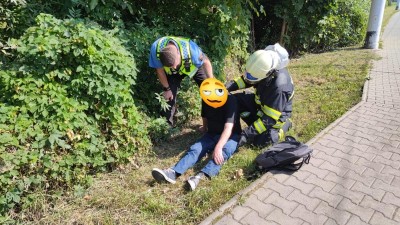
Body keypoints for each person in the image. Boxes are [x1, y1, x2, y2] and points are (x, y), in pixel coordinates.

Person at [151, 78, 241, 191]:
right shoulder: (206, 97)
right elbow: (204, 114)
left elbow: (228, 128)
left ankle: (200, 177)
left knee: (223, 152)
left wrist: (218, 148)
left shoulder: (231, 100)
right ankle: (173, 173)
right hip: (212, 133)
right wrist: (204, 127)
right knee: (195, 149)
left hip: (231, 136)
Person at [225, 43, 294, 147]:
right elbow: (248, 80)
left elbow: (269, 119)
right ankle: (240, 130)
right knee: (234, 100)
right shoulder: (262, 67)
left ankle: (285, 126)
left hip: (274, 117)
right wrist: (228, 86)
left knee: (259, 142)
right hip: (260, 104)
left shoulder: (279, 88)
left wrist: (246, 134)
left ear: (268, 74)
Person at [149, 36, 214, 126]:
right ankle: (167, 128)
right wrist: (167, 89)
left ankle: (207, 124)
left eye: (175, 65)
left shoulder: (192, 50)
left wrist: (211, 81)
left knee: (208, 91)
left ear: (179, 53)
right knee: (169, 96)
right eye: (171, 66)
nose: (175, 68)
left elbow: (206, 62)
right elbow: (160, 71)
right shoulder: (156, 48)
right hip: (172, 74)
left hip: (191, 67)